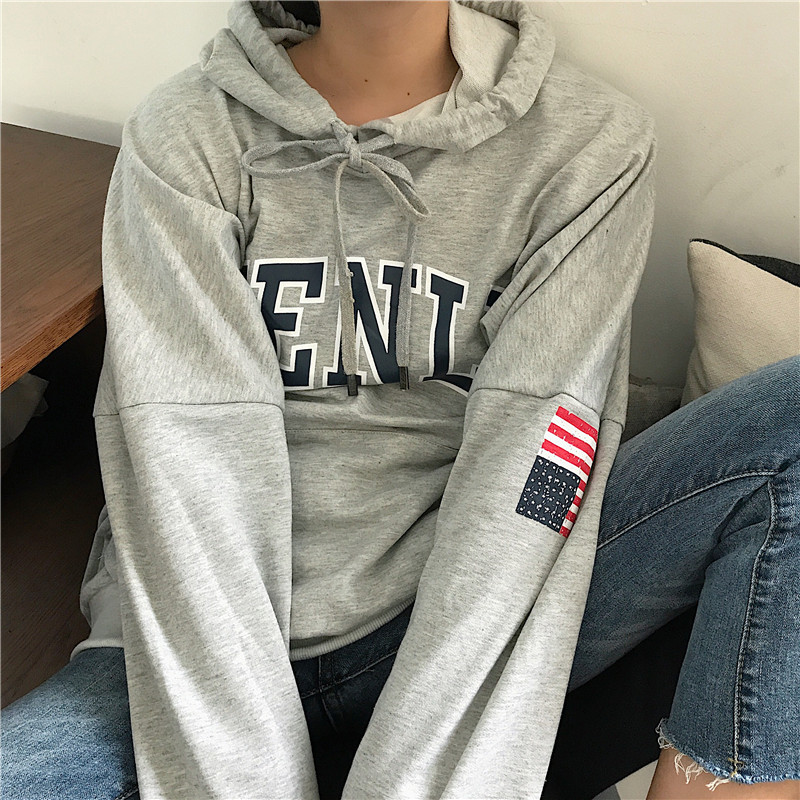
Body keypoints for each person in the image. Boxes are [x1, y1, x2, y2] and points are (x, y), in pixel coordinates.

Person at [2, 2, 798, 799]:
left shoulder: (586, 139)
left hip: (441, 612)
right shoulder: (189, 131)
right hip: (190, 646)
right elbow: (184, 454)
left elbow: (538, 447)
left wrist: (427, 764)